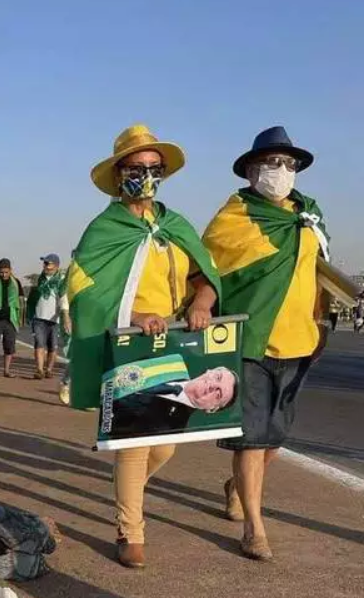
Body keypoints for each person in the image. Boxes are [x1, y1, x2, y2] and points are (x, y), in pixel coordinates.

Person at [68, 125, 221, 568]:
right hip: (127, 342)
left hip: (173, 339)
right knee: (136, 438)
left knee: (165, 443)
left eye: (154, 168)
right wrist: (132, 316)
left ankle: (126, 488)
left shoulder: (175, 225)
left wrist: (205, 301)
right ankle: (130, 530)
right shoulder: (104, 228)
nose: (146, 175)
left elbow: (202, 273)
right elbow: (81, 288)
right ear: (119, 175)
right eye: (136, 168)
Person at [204, 126, 331, 561]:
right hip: (250, 341)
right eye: (272, 163)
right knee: (252, 439)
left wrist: (322, 322)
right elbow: (207, 270)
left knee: (275, 439)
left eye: (289, 164)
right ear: (251, 170)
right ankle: (255, 529)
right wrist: (201, 305)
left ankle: (237, 485)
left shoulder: (309, 216)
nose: (281, 171)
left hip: (300, 339)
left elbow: (320, 273)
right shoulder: (233, 217)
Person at [110, 366, 238, 437]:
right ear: (209, 371)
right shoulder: (171, 365)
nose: (212, 385)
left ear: (211, 409)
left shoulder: (171, 428)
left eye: (218, 393)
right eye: (217, 377)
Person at [26, 254, 67, 380]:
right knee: (39, 343)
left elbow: (63, 299)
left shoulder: (61, 280)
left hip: (54, 319)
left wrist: (65, 316)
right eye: (44, 263)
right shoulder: (40, 279)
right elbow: (33, 299)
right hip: (39, 318)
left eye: (48, 263)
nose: (45, 266)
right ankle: (39, 369)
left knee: (52, 346)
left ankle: (48, 369)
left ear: (56, 265)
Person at [0, 258, 25, 378]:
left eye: (6, 272)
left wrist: (21, 318)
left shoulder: (16, 283)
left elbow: (21, 301)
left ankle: (6, 370)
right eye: (1, 272)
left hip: (10, 319)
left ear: (10, 271)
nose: (4, 274)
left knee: (9, 345)